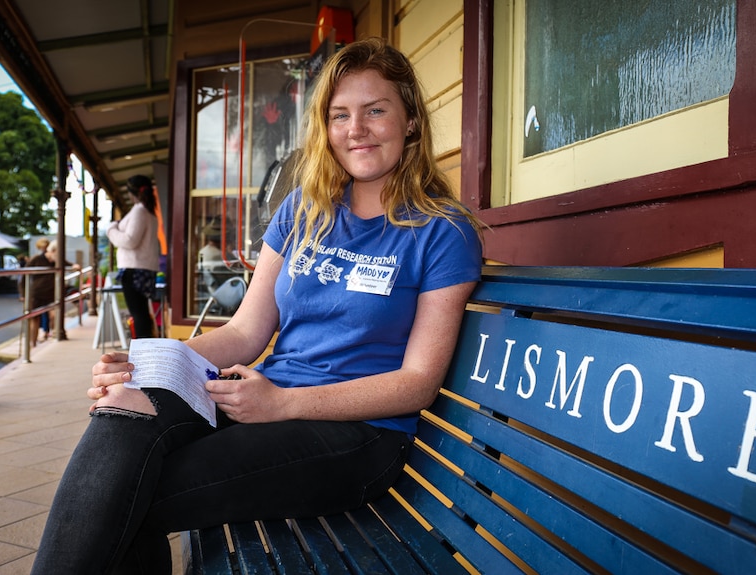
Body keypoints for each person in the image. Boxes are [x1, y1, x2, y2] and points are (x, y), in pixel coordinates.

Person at [31, 37, 483, 574]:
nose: (355, 129)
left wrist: (284, 405)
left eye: (375, 110)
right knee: (124, 410)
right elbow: (245, 332)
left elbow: (417, 383)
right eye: (340, 115)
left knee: (123, 493)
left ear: (410, 120)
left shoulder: (441, 231)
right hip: (262, 398)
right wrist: (145, 364)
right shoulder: (303, 209)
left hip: (358, 433)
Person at [106, 175, 161, 338]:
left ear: (131, 193)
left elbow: (130, 240)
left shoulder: (139, 211)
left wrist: (112, 229)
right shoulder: (149, 212)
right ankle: (146, 350)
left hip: (134, 269)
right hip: (143, 268)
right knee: (141, 312)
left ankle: (143, 352)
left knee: (138, 313)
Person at [25, 239, 78, 344]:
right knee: (35, 319)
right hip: (37, 294)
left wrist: (74, 266)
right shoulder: (36, 259)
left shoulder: (57, 260)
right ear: (52, 251)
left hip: (52, 293)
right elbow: (23, 275)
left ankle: (53, 336)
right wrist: (23, 294)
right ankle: (32, 344)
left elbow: (66, 263)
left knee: (55, 315)